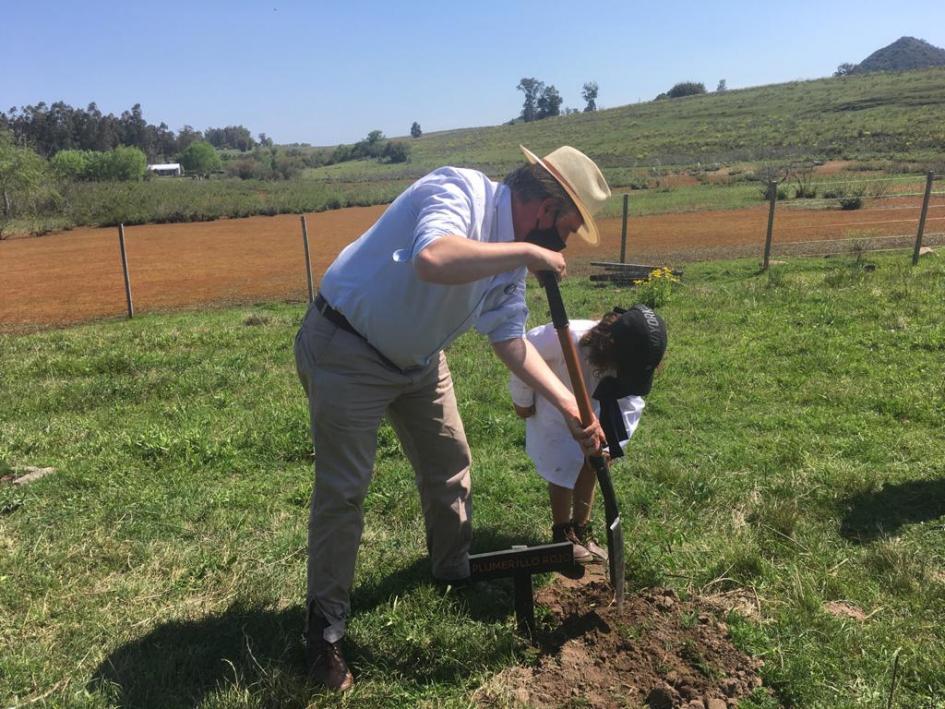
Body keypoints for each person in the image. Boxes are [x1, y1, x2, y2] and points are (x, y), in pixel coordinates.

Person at [294, 145, 612, 690]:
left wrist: (570, 407)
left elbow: (511, 341)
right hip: (346, 347)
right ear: (546, 206)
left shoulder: (512, 258)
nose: (564, 242)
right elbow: (433, 258)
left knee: (450, 464)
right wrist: (528, 254)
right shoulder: (460, 190)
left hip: (418, 361)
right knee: (344, 491)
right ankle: (325, 635)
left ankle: (452, 567)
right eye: (568, 226)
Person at [509, 304, 667, 563]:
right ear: (608, 346)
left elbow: (631, 403)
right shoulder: (566, 338)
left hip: (603, 409)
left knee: (594, 464)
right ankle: (562, 534)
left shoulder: (635, 365)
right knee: (562, 463)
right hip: (556, 404)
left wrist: (613, 443)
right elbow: (524, 354)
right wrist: (523, 401)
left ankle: (582, 529)